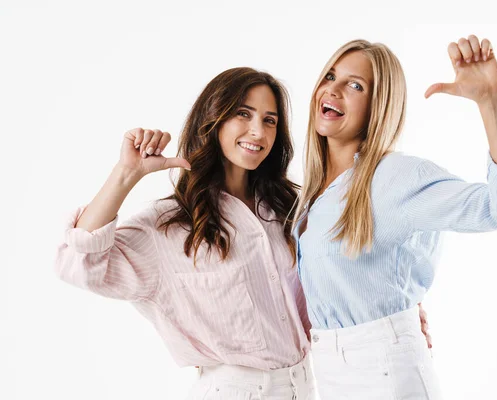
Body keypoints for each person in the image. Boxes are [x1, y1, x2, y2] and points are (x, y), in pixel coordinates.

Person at [294, 36, 497, 399]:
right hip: (328, 374)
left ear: (378, 106)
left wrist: (491, 103)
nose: (333, 90)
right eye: (330, 76)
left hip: (384, 373)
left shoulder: (395, 178)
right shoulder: (309, 197)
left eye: (355, 85)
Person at [55, 67, 317, 400]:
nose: (258, 131)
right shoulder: (170, 225)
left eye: (270, 120)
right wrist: (126, 174)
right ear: (213, 119)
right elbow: (78, 262)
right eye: (243, 114)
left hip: (304, 386)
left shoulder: (285, 210)